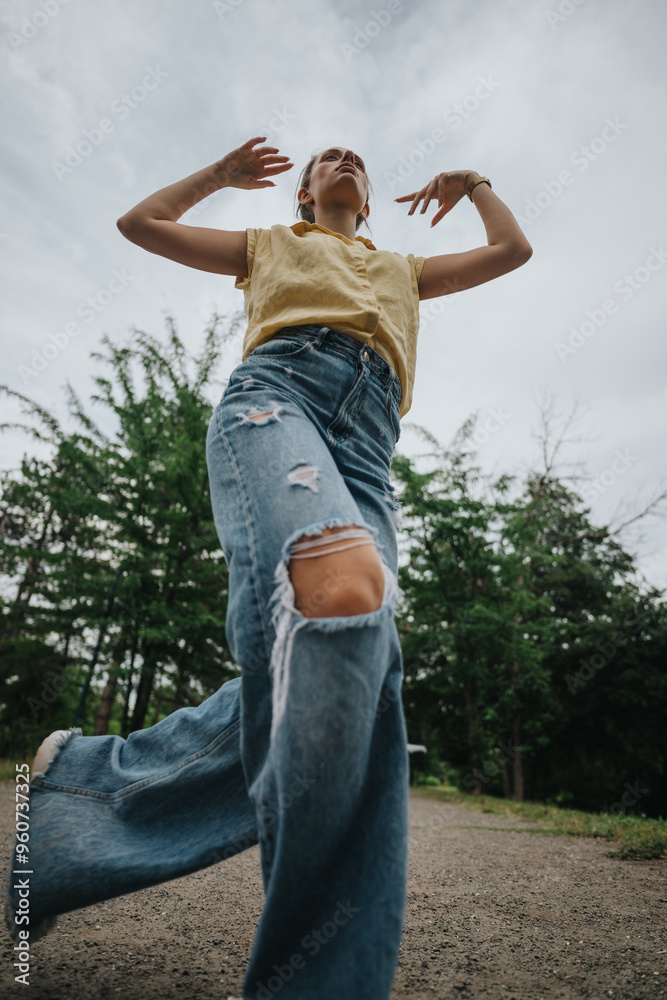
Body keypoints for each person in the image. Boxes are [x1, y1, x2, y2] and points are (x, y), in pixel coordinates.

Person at [5, 137, 532, 999]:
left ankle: (81, 794)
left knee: (354, 659)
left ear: (366, 196)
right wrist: (216, 176)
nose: (345, 159)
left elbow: (511, 252)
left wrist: (474, 182)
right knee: (337, 588)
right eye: (326, 156)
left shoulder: (400, 267)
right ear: (303, 193)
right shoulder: (271, 247)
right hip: (276, 396)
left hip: (369, 444)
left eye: (355, 156)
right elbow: (141, 223)